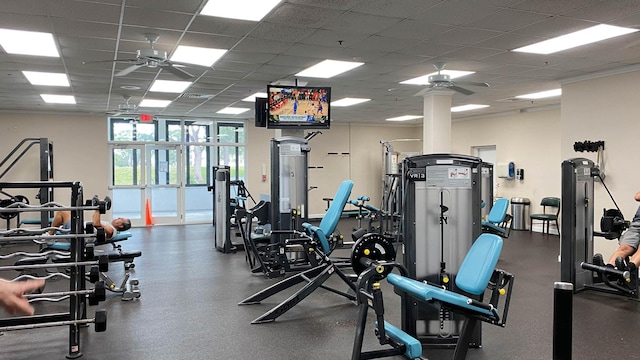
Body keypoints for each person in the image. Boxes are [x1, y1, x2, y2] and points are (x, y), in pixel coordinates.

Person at [607, 191, 640, 272]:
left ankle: (628, 269)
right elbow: (637, 197)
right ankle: (608, 269)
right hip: (637, 223)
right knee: (624, 248)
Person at [49, 209, 131, 239]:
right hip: (78, 230)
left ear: (120, 225)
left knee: (62, 212)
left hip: (78, 234)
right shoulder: (109, 225)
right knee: (69, 212)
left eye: (121, 219)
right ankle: (53, 233)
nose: (119, 217)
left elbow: (96, 223)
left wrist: (98, 209)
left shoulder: (112, 230)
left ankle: (49, 236)